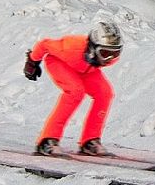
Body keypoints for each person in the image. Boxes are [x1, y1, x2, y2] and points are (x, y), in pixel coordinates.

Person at [22, 22, 123, 156]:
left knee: (105, 93)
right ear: (93, 48)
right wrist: (32, 61)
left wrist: (101, 57)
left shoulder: (100, 58)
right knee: (75, 92)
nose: (110, 58)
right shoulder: (71, 48)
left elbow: (97, 61)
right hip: (60, 62)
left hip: (87, 68)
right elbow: (45, 44)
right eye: (105, 53)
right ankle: (47, 140)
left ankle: (90, 141)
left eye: (114, 53)